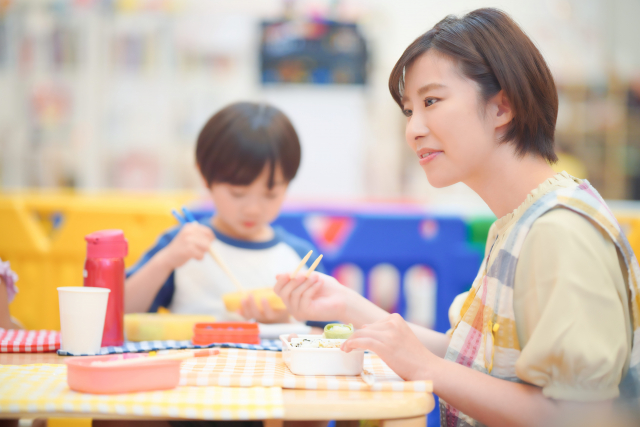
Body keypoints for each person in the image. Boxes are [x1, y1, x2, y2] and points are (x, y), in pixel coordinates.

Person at [273, 8, 640, 427]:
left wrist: (424, 369)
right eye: (410, 110)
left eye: (431, 101)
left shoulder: (561, 230)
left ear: (503, 106)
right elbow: (467, 356)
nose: (413, 129)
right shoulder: (521, 220)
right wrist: (346, 304)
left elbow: (577, 416)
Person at [125, 102, 322, 323]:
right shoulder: (181, 247)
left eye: (270, 194)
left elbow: (331, 335)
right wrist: (166, 261)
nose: (253, 209)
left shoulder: (301, 260)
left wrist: (286, 321)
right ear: (204, 176)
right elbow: (121, 314)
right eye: (237, 193)